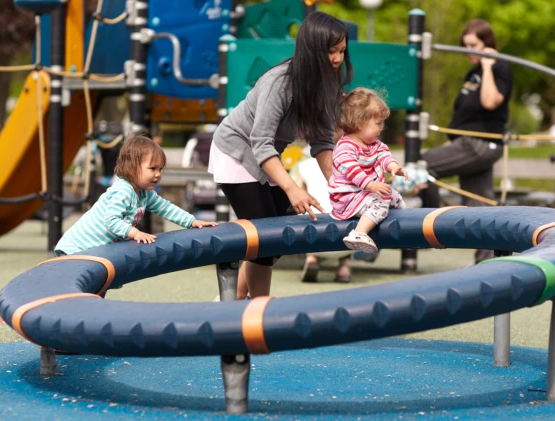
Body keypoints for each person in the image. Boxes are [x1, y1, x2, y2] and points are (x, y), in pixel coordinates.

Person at [209, 11, 353, 300]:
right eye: (331, 51)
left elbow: (323, 143)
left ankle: (228, 304)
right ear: (312, 50)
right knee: (265, 238)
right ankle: (260, 308)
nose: (338, 59)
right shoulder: (280, 83)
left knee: (281, 236)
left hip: (266, 157)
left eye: (342, 51)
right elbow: (260, 143)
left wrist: (342, 187)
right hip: (237, 153)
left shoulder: (326, 85)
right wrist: (292, 188)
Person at [55, 135, 218, 274]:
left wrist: (192, 222)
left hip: (95, 252)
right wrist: (135, 233)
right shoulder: (123, 191)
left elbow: (165, 208)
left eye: (161, 169)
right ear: (132, 168)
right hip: (77, 248)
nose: (158, 174)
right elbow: (111, 221)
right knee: (77, 288)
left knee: (98, 284)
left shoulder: (145, 193)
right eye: (152, 168)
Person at [421, 19, 514, 264]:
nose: (468, 51)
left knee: (420, 166)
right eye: (465, 46)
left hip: (481, 144)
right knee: (479, 206)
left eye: (473, 45)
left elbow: (490, 102)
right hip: (466, 143)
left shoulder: (499, 68)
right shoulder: (471, 72)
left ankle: (437, 215)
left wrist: (487, 67)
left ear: (487, 44)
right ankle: (488, 264)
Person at [329, 87, 408, 255]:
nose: (381, 129)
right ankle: (359, 233)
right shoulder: (345, 147)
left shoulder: (374, 144)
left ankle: (407, 228)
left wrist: (393, 167)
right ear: (359, 123)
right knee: (380, 203)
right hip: (347, 197)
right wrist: (371, 185)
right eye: (378, 124)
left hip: (365, 192)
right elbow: (352, 171)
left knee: (395, 197)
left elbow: (384, 156)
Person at [290, 146, 353, 283]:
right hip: (347, 238)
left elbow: (296, 199)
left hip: (312, 238)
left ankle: (311, 258)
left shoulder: (302, 165)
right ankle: (344, 266)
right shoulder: (350, 165)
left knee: (307, 214)